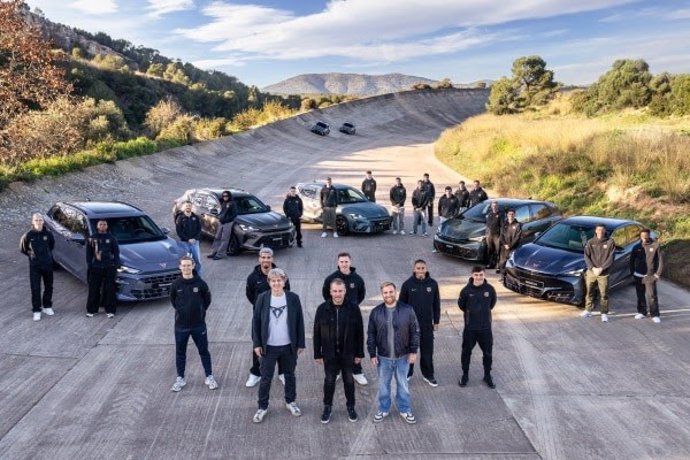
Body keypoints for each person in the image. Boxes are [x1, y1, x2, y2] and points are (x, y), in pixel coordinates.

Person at [252, 268, 305, 423]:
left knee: (289, 376)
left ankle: (290, 402)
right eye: (273, 281)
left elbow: (299, 321)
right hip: (269, 347)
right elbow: (255, 322)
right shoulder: (262, 298)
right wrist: (257, 344)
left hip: (288, 346)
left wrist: (300, 343)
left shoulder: (293, 298)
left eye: (279, 280)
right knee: (266, 378)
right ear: (269, 282)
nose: (276, 283)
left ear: (284, 281)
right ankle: (262, 407)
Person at [368, 281, 420, 424]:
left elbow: (415, 331)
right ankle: (384, 409)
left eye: (391, 292)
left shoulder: (407, 310)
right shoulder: (376, 312)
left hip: (402, 357)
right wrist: (372, 353)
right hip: (383, 358)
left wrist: (413, 351)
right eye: (385, 292)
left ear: (396, 292)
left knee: (403, 385)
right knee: (383, 385)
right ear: (382, 294)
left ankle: (404, 409)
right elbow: (371, 334)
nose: (388, 294)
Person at [313, 278, 365, 423]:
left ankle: (351, 407)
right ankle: (327, 407)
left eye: (340, 291)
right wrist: (317, 353)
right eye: (334, 291)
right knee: (329, 381)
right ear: (330, 292)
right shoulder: (322, 309)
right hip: (329, 354)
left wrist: (359, 353)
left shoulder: (354, 308)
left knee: (349, 381)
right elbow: (316, 332)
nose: (337, 294)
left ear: (345, 291)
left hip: (348, 353)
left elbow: (360, 332)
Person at [245, 247, 292, 388]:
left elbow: (288, 293)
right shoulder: (252, 277)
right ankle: (256, 373)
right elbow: (250, 296)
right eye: (263, 257)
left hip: (280, 317)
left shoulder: (281, 275)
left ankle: (283, 372)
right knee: (258, 344)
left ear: (272, 258)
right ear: (259, 259)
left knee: (282, 345)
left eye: (268, 257)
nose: (266, 260)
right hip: (260, 319)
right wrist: (261, 310)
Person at [170, 256, 217, 392]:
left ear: (193, 266)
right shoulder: (176, 284)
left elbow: (207, 300)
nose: (186, 268)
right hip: (181, 326)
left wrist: (200, 312)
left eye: (188, 265)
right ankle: (180, 379)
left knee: (204, 351)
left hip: (198, 325)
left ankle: (209, 376)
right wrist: (182, 312)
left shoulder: (201, 283)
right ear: (180, 267)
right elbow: (173, 301)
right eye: (183, 265)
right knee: (180, 353)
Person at [322, 252, 368, 385]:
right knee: (335, 342)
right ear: (338, 263)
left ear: (350, 262)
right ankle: (336, 371)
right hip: (335, 315)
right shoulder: (331, 278)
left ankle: (356, 371)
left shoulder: (357, 279)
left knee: (353, 342)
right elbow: (326, 294)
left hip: (352, 316)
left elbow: (361, 295)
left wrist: (352, 307)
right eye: (341, 262)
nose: (344, 264)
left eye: (346, 261)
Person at [399, 260, 440, 386]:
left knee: (427, 351)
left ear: (426, 269)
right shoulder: (407, 284)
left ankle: (428, 375)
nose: (421, 270)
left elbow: (436, 304)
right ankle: (408, 373)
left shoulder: (433, 284)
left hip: (427, 325)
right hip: (411, 326)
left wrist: (436, 321)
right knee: (410, 351)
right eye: (418, 268)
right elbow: (401, 305)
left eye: (423, 268)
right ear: (414, 269)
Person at [458, 266, 497, 389]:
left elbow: (492, 304)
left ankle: (487, 375)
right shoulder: (465, 291)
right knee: (466, 353)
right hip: (470, 329)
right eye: (476, 275)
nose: (478, 277)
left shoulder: (490, 289)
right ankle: (465, 375)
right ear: (472, 275)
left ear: (484, 275)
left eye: (480, 275)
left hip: (485, 329)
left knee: (488, 353)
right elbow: (461, 305)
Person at [20, 213, 56, 321]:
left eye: (40, 220)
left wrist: (46, 256)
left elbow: (51, 246)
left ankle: (47, 306)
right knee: (35, 288)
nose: (39, 222)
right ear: (32, 222)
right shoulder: (28, 235)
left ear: (43, 221)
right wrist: (33, 256)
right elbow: (23, 249)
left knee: (49, 286)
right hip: (35, 266)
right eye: (36, 220)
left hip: (48, 265)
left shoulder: (48, 234)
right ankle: (36, 310)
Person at [581, 224, 615, 322]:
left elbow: (611, 257)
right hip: (592, 272)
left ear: (604, 231)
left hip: (603, 273)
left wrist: (602, 268)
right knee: (589, 292)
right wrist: (592, 268)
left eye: (602, 230)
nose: (600, 231)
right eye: (598, 229)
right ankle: (588, 310)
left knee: (604, 294)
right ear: (595, 231)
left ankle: (604, 313)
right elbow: (586, 256)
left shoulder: (610, 242)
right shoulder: (590, 242)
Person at [86, 220, 119, 318]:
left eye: (104, 224)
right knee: (94, 289)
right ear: (97, 226)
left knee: (109, 289)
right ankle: (92, 310)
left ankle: (110, 310)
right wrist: (90, 265)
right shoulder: (92, 238)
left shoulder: (112, 238)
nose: (102, 226)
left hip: (109, 267)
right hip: (96, 267)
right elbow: (89, 254)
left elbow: (116, 253)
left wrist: (115, 265)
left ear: (107, 226)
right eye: (100, 224)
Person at [630, 229, 664, 323]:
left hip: (650, 276)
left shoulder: (656, 246)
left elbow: (661, 261)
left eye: (646, 235)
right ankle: (642, 312)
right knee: (640, 295)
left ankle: (655, 314)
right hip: (638, 275)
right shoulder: (636, 247)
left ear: (649, 236)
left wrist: (657, 274)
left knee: (652, 295)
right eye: (642, 236)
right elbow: (631, 261)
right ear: (640, 237)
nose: (644, 237)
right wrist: (633, 272)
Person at [175, 201, 203, 277]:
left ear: (192, 207)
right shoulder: (180, 218)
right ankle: (186, 277)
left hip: (195, 242)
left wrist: (195, 238)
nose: (188, 207)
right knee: (185, 262)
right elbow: (179, 231)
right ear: (184, 207)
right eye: (187, 206)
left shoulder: (196, 217)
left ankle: (199, 277)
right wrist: (188, 239)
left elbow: (199, 229)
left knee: (197, 261)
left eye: (190, 206)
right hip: (184, 243)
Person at [208, 190, 238, 260]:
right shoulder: (224, 203)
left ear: (229, 196)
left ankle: (220, 254)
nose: (225, 197)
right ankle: (214, 252)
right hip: (221, 222)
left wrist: (227, 220)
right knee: (217, 237)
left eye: (226, 196)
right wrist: (219, 217)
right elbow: (222, 212)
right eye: (223, 196)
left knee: (224, 239)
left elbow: (234, 214)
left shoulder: (232, 203)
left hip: (228, 223)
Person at [497, 209, 522, 278]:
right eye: (509, 214)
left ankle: (510, 278)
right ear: (507, 215)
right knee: (502, 262)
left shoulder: (517, 225)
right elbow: (501, 235)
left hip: (513, 247)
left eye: (512, 214)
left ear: (515, 215)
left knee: (511, 264)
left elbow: (517, 237)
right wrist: (505, 244)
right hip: (504, 247)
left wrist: (510, 246)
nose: (511, 215)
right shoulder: (504, 224)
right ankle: (503, 277)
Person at [485, 201, 502, 269]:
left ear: (497, 206)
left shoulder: (500, 215)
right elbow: (487, 225)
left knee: (498, 251)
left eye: (495, 206)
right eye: (493, 206)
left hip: (497, 235)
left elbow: (502, 226)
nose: (494, 207)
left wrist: (501, 236)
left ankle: (498, 265)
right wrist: (486, 234)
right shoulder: (489, 214)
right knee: (490, 250)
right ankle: (490, 264)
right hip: (489, 235)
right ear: (491, 206)